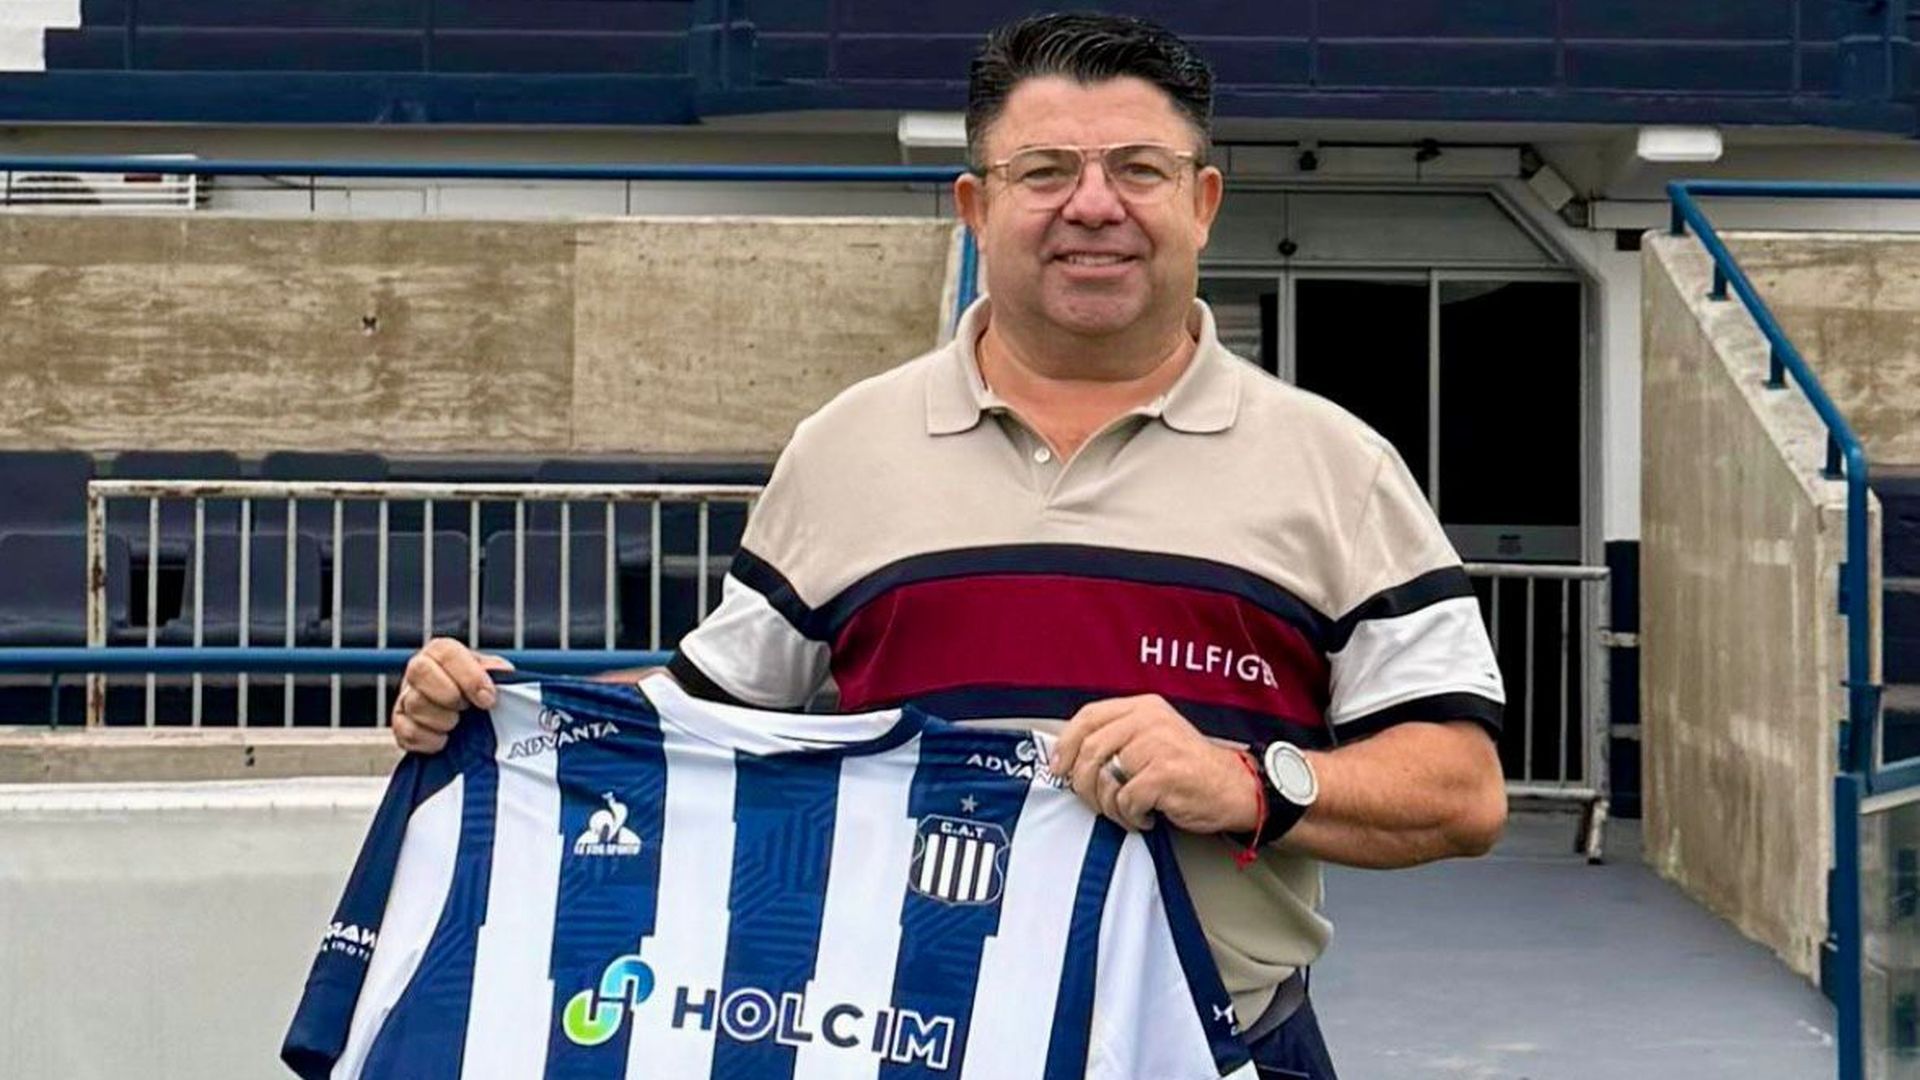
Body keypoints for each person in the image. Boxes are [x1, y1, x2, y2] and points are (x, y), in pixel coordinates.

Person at [390, 13, 1508, 1078]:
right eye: (1044, 173)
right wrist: (505, 707)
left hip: (1221, 1044)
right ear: (975, 205)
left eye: (1139, 169)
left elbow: (1461, 792)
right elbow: (705, 713)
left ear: (1204, 202)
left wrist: (1246, 780)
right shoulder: (845, 448)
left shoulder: (1338, 468)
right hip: (886, 1042)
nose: (1094, 206)